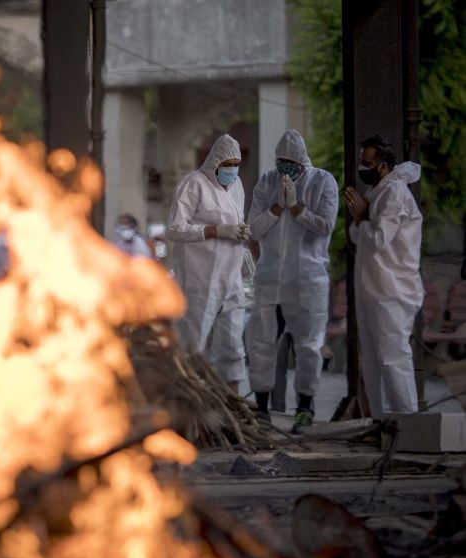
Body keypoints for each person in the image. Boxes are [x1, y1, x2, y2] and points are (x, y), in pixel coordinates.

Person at [245, 129, 338, 429]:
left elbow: (325, 226)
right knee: (261, 343)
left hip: (308, 279)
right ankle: (261, 407)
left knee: (308, 345)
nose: (284, 166)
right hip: (270, 278)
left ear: (301, 160)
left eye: (289, 161)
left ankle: (305, 407)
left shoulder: (323, 181)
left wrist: (297, 207)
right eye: (280, 160)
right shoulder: (267, 181)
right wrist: (277, 207)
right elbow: (253, 229)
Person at [344, 136, 423, 417]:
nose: (362, 167)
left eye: (367, 162)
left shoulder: (395, 194)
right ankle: (379, 425)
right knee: (374, 364)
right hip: (373, 290)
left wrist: (364, 217)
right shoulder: (378, 191)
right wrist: (358, 219)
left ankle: (406, 428)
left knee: (392, 361)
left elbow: (379, 240)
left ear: (383, 166)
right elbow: (358, 237)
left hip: (392, 291)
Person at [166, 134, 249, 391]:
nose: (232, 169)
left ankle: (233, 403)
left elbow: (236, 221)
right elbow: (175, 229)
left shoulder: (237, 186)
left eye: (236, 164)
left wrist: (239, 233)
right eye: (228, 164)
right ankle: (189, 402)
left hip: (231, 275)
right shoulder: (194, 184)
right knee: (194, 341)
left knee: (233, 342)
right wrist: (215, 231)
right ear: (215, 162)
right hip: (199, 278)